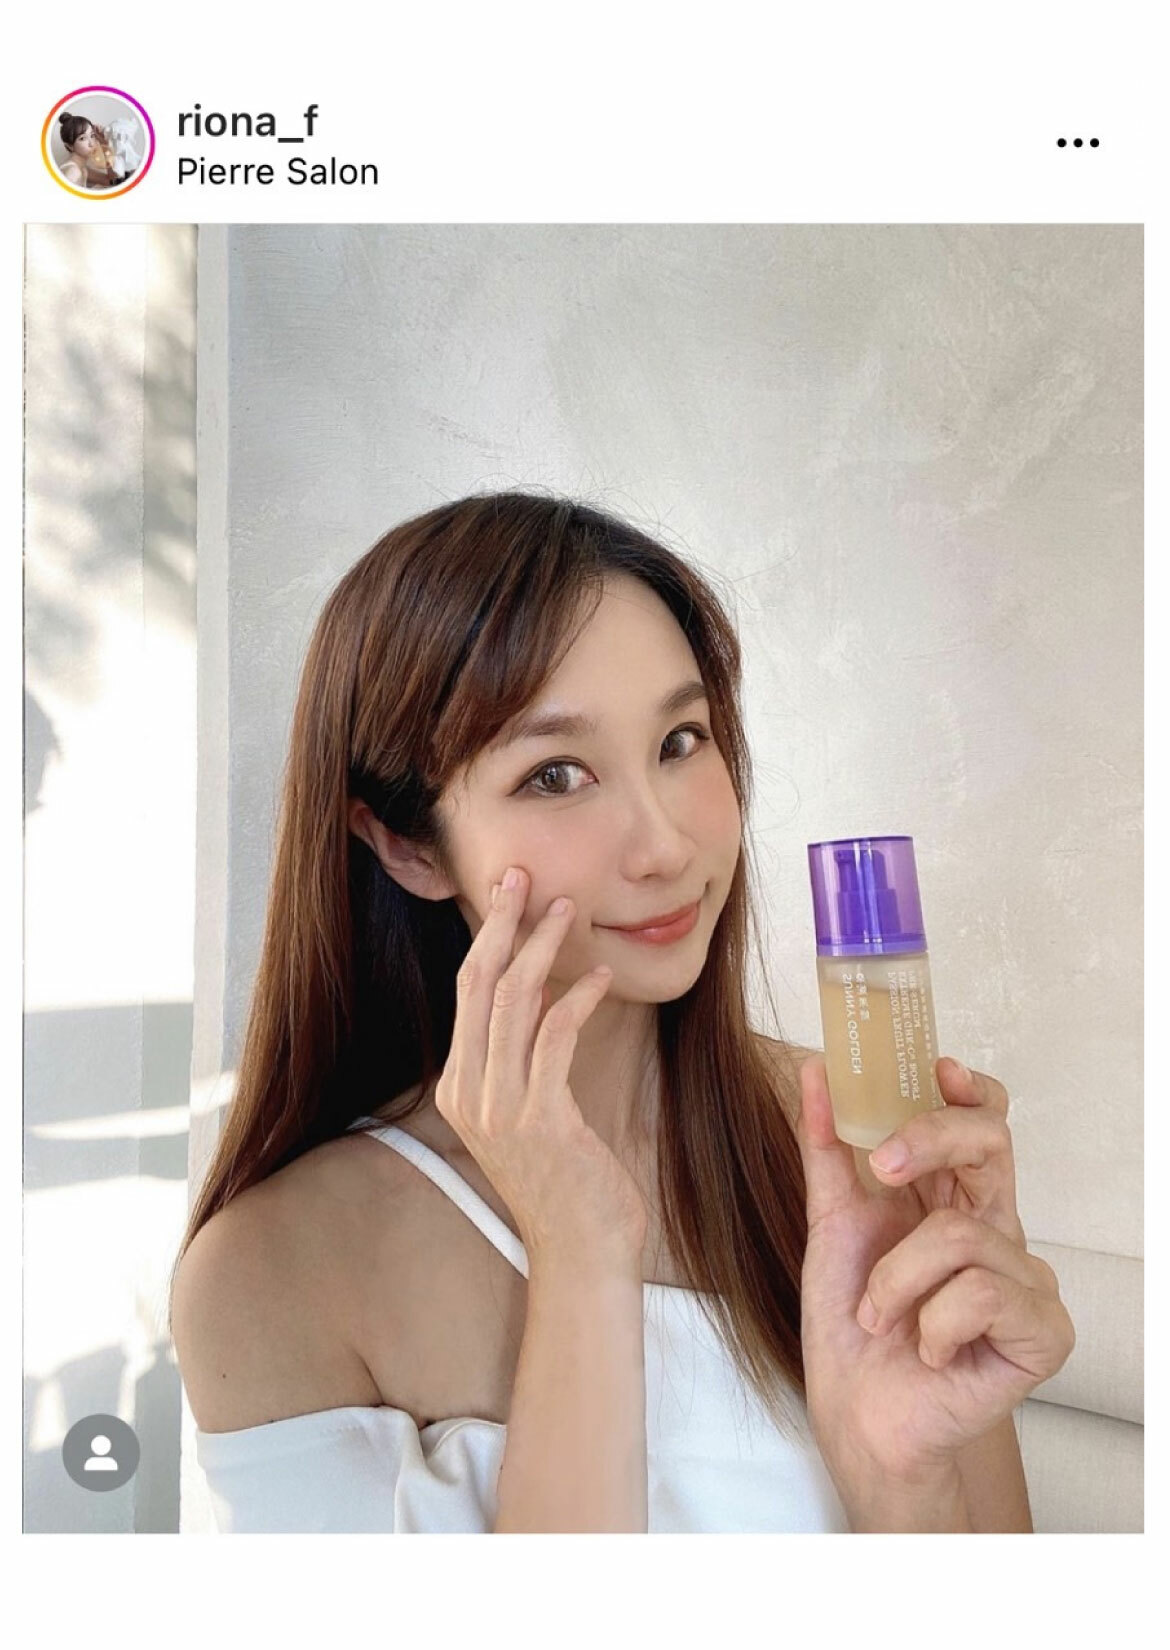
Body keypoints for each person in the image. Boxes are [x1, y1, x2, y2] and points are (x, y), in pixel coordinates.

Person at [168, 490, 1074, 1532]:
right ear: (408, 846)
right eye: (556, 775)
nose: (665, 846)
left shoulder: (862, 1144)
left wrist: (899, 1481)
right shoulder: (274, 1273)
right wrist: (579, 1253)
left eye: (681, 740)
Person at [57, 114, 117, 189]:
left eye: (92, 135)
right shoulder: (73, 171)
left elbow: (113, 181)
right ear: (69, 146)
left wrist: (104, 144)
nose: (91, 143)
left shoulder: (82, 168)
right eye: (82, 138)